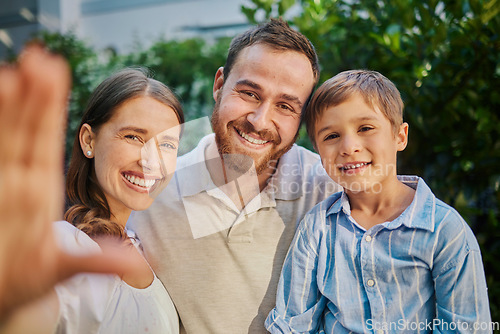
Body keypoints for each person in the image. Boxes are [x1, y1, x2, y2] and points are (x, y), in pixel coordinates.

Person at [127, 18, 341, 333]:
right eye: (250, 94)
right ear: (219, 85)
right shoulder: (150, 194)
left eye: (285, 106)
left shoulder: (329, 193)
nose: (259, 120)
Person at [265, 70, 492, 333]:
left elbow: (466, 328)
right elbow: (293, 325)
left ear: (400, 136)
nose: (349, 147)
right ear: (317, 150)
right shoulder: (317, 228)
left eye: (365, 128)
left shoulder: (445, 232)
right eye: (331, 136)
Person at [1, 50, 185, 333]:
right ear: (89, 140)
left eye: (168, 144)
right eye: (133, 137)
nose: (151, 161)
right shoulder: (66, 243)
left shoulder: (140, 240)